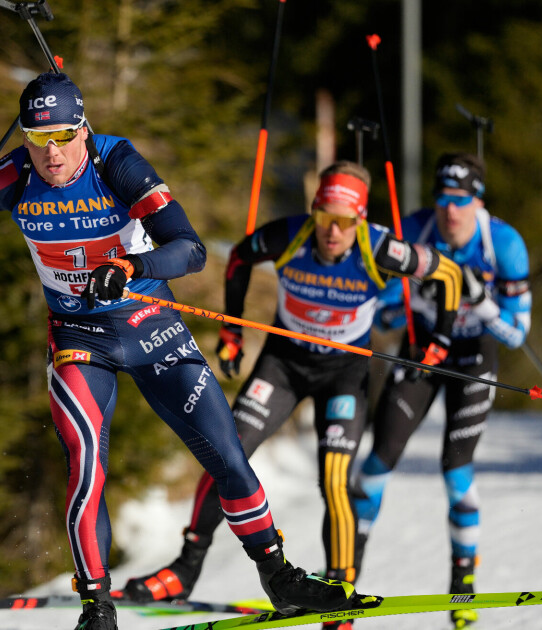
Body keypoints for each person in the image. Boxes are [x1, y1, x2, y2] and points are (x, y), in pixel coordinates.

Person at [0, 72, 359, 630]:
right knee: (86, 465)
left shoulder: (116, 163)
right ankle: (97, 607)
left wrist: (131, 267)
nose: (51, 153)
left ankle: (279, 578)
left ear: (83, 128)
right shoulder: (10, 178)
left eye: (63, 137)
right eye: (36, 138)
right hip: (79, 336)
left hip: (152, 325)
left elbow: (190, 250)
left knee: (229, 456)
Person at [121, 161, 463, 625]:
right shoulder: (291, 235)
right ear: (314, 213)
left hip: (344, 372)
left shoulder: (382, 248)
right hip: (283, 364)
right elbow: (240, 256)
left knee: (334, 479)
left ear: (360, 220)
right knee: (227, 454)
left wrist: (440, 339)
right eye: (324, 218)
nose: (332, 231)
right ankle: (186, 567)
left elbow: (448, 275)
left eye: (344, 221)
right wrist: (234, 333)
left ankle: (339, 594)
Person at [351, 152, 531, 629]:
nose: (450, 210)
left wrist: (480, 301)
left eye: (461, 200)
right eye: (443, 199)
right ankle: (344, 574)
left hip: (473, 356)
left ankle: (462, 588)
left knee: (456, 470)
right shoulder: (415, 230)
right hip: (422, 349)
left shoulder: (504, 244)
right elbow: (384, 305)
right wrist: (392, 308)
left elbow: (518, 334)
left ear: (478, 201)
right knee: (378, 458)